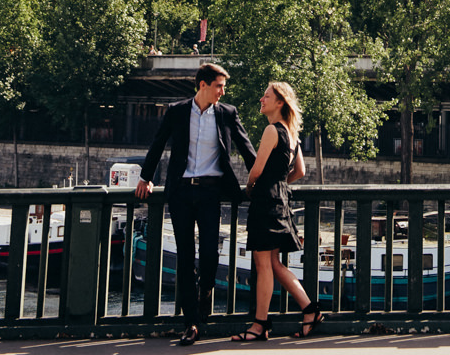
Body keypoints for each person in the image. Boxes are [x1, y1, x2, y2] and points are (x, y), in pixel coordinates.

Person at [137, 63, 257, 346]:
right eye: (218, 86)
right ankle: (191, 322)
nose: (222, 91)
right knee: (185, 256)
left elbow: (246, 147)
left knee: (209, 255)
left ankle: (206, 290)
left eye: (223, 87)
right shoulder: (177, 111)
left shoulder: (227, 114)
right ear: (202, 85)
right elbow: (158, 144)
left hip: (211, 192)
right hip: (180, 192)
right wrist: (145, 177)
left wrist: (264, 177)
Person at [232, 81, 324, 343]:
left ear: (280, 102)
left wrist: (252, 188)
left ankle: (260, 325)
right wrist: (279, 183)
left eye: (266, 96)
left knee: (263, 265)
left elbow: (256, 170)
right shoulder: (292, 134)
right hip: (281, 201)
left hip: (265, 202)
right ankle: (310, 310)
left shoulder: (272, 130)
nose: (262, 99)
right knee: (273, 263)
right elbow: (300, 172)